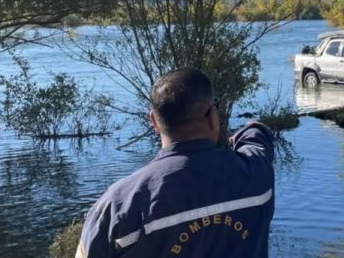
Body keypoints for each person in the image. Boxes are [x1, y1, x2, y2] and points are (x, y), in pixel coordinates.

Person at [76, 67, 275, 258]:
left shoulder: (118, 204)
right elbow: (257, 133)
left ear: (154, 121)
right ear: (213, 118)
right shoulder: (256, 175)